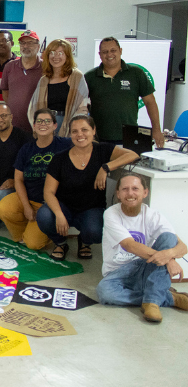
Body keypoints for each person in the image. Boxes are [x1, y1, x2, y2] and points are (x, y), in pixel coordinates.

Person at [37, 115, 139, 261]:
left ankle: (85, 242)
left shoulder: (103, 150)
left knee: (95, 232)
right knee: (44, 216)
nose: (80, 135)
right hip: (64, 207)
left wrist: (105, 167)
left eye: (84, 129)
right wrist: (59, 215)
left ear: (93, 130)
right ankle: (60, 243)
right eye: (75, 131)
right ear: (70, 134)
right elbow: (48, 192)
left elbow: (133, 155)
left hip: (92, 209)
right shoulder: (59, 158)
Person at [96, 173, 188, 323]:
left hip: (146, 266)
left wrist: (169, 255)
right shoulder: (111, 213)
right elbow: (130, 245)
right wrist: (168, 260)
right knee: (105, 292)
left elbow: (183, 247)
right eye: (125, 189)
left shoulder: (153, 215)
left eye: (135, 189)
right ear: (118, 194)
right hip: (118, 272)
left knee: (169, 237)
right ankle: (166, 298)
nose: (130, 193)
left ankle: (152, 301)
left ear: (145, 192)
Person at [0, 109, 72, 250]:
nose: (43, 124)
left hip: (49, 204)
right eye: (39, 121)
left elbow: (88, 144)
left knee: (34, 244)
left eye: (48, 121)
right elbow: (18, 180)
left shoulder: (65, 144)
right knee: (2, 208)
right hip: (28, 197)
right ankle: (26, 231)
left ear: (55, 126)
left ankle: (41, 230)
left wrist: (105, 168)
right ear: (34, 126)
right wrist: (26, 207)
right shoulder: (26, 149)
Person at [85, 36, 165, 147]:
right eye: (105, 52)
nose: (109, 55)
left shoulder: (136, 73)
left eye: (113, 50)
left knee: (130, 165)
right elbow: (80, 106)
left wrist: (156, 130)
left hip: (129, 137)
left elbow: (150, 102)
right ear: (100, 54)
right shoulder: (89, 77)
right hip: (99, 138)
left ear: (120, 51)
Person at [0, 103, 31, 229]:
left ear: (11, 117)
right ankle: (5, 214)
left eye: (3, 116)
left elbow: (30, 164)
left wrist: (16, 181)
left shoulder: (23, 137)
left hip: (18, 184)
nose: (0, 120)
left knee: (3, 196)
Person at [27, 39, 90, 136]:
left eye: (61, 53)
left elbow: (82, 106)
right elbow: (33, 108)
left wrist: (72, 128)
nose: (56, 56)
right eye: (52, 53)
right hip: (46, 124)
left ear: (67, 56)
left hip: (68, 124)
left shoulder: (76, 77)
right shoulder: (44, 79)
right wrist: (39, 127)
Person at [0, 30, 42, 133]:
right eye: (23, 43)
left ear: (38, 47)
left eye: (30, 43)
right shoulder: (9, 66)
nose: (25, 46)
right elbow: (5, 92)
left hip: (37, 125)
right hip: (13, 125)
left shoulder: (46, 68)